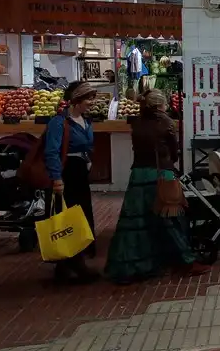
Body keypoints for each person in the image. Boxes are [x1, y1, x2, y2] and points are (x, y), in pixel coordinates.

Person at [105, 90, 208, 284]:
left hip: (138, 175)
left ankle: (133, 266)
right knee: (171, 220)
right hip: (162, 174)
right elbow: (174, 151)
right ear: (161, 105)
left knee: (138, 222)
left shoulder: (136, 122)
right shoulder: (166, 122)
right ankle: (186, 261)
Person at [44, 81, 99, 284]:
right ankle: (73, 263)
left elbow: (87, 145)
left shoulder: (86, 120)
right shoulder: (59, 123)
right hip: (67, 175)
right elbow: (51, 151)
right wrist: (56, 178)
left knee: (80, 215)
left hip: (80, 175)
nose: (92, 103)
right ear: (76, 100)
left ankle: (68, 264)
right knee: (69, 217)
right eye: (88, 99)